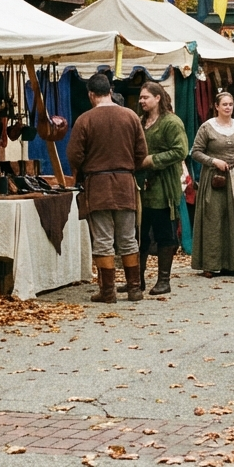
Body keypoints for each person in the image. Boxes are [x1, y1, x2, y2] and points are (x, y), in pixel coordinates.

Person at [67, 73, 147, 303]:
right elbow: (141, 153)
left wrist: (84, 170)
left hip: (98, 185)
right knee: (128, 238)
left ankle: (108, 291)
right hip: (124, 184)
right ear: (110, 91)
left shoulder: (85, 120)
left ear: (91, 94)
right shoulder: (131, 116)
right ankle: (134, 289)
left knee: (103, 239)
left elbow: (74, 155)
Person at [134, 81, 187, 296]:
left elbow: (181, 150)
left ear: (157, 98)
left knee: (165, 233)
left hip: (164, 186)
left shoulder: (171, 122)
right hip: (141, 186)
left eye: (146, 97)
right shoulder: (139, 121)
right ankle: (137, 280)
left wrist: (151, 160)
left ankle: (164, 280)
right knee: (140, 234)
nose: (141, 101)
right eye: (140, 97)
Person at [190, 92, 234, 277]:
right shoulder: (207, 127)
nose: (228, 107)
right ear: (216, 106)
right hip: (215, 179)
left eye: (230, 104)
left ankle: (232, 264)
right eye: (224, 104)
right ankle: (210, 263)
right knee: (214, 219)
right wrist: (213, 161)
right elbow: (195, 152)